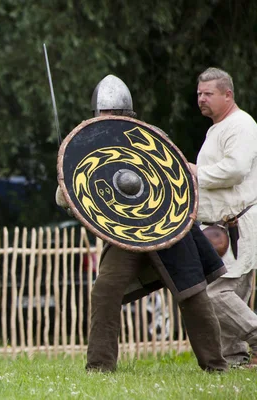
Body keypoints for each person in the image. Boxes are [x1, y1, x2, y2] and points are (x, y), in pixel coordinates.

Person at [56, 74, 228, 373]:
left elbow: (178, 183)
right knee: (105, 291)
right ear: (96, 115)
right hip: (126, 234)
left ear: (128, 114)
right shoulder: (90, 142)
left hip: (167, 228)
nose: (109, 118)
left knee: (192, 294)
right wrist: (69, 182)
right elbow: (65, 198)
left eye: (115, 115)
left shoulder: (150, 137)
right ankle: (100, 366)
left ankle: (215, 366)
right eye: (105, 114)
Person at [189, 67, 257, 368]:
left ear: (228, 95)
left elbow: (235, 169)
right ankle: (236, 360)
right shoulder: (218, 127)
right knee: (233, 293)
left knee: (215, 294)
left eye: (209, 94)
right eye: (199, 94)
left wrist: (196, 173)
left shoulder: (240, 125)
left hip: (236, 223)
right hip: (224, 225)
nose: (202, 99)